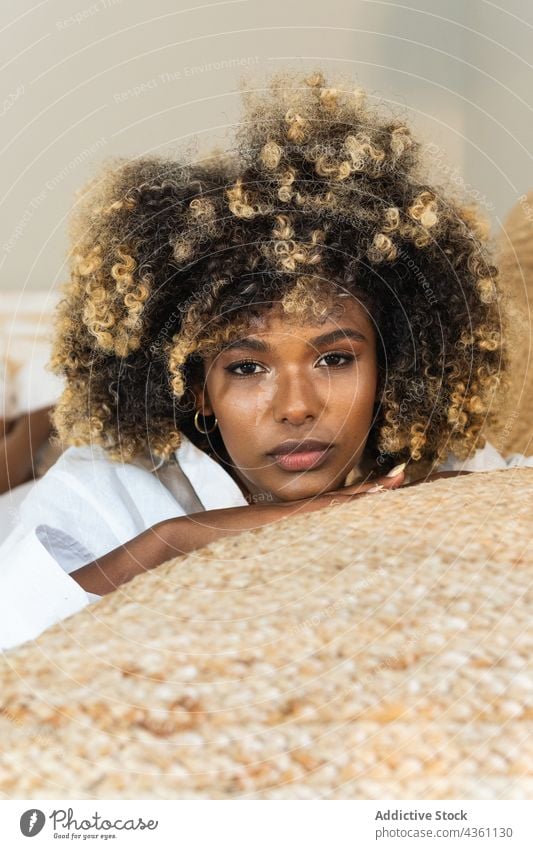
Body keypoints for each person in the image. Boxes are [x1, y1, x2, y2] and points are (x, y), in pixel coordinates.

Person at [0, 69, 530, 651]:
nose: (297, 407)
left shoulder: (441, 469)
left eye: (334, 359)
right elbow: (16, 633)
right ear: (197, 385)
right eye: (247, 368)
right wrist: (172, 540)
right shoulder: (105, 488)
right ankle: (36, 426)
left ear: (389, 365)